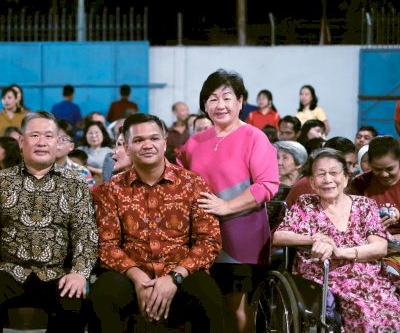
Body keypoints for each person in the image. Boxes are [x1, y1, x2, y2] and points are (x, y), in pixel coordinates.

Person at [0, 111, 98, 332]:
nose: (42, 142)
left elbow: (86, 233)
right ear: (22, 141)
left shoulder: (76, 184)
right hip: (8, 270)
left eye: (49, 136)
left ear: (57, 142)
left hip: (57, 273)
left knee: (75, 304)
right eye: (35, 135)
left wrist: (79, 273)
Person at [89, 113, 225, 332]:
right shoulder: (110, 191)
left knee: (208, 296)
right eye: (138, 140)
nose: (147, 145)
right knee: (103, 293)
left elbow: (208, 241)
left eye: (154, 138)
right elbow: (107, 245)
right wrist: (139, 279)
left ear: (164, 141)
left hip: (182, 275)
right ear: (126, 146)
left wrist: (174, 278)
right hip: (131, 276)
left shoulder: (192, 184)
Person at [177, 69, 278, 332]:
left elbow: (268, 185)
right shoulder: (194, 142)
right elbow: (177, 178)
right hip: (199, 238)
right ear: (204, 105)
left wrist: (226, 206)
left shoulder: (255, 137)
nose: (219, 105)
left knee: (237, 310)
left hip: (241, 238)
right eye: (212, 99)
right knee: (206, 307)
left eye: (227, 97)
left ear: (241, 101)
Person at [273, 148, 400, 331]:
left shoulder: (365, 206)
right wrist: (313, 239)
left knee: (398, 313)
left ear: (346, 178)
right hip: (323, 277)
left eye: (334, 173)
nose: (328, 179)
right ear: (313, 182)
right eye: (321, 174)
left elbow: (379, 248)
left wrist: (340, 252)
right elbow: (278, 236)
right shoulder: (306, 204)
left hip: (369, 278)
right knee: (364, 314)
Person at [349, 135, 400, 277]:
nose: (384, 174)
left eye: (390, 168)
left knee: (395, 273)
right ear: (369, 163)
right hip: (365, 247)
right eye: (377, 169)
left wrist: (389, 241)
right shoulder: (359, 184)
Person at [285, 136, 358, 208]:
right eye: (347, 164)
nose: (351, 170)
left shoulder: (347, 182)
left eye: (353, 165)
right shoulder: (309, 184)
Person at [56, 120, 95, 189]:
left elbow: (87, 199)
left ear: (71, 146)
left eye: (64, 139)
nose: (58, 142)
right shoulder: (35, 170)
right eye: (52, 137)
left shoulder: (83, 173)